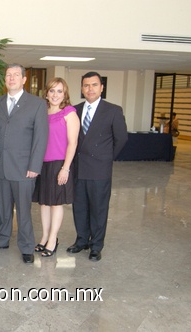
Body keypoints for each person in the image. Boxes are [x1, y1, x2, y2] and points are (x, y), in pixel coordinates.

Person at [0, 64, 49, 264]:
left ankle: (26, 246)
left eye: (16, 75)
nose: (11, 78)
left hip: (24, 168)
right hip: (0, 166)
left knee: (23, 211)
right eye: (8, 75)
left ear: (24, 79)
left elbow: (41, 138)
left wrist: (35, 166)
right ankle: (2, 239)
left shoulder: (37, 104)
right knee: (4, 208)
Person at [68, 71, 128, 261]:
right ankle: (82, 240)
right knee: (80, 207)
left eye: (94, 85)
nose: (90, 89)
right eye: (86, 85)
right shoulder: (74, 110)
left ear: (101, 87)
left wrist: (106, 158)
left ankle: (96, 245)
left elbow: (121, 139)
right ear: (82, 89)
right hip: (78, 168)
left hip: (99, 169)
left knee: (98, 208)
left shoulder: (113, 110)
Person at [33, 77, 80, 257]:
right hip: (42, 163)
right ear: (46, 93)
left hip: (59, 163)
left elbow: (73, 143)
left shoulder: (69, 113)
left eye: (59, 91)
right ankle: (44, 236)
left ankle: (53, 239)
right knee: (44, 203)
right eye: (52, 90)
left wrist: (65, 168)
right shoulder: (42, 111)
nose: (55, 95)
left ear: (65, 94)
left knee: (56, 203)